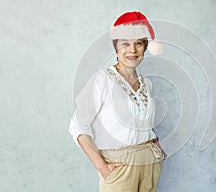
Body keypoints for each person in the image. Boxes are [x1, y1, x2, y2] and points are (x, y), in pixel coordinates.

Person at [69, 11, 165, 192]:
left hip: (150, 163)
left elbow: (144, 125)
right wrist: (103, 168)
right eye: (125, 44)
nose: (132, 50)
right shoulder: (102, 80)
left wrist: (158, 150)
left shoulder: (147, 84)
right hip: (120, 167)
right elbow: (78, 126)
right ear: (116, 48)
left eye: (138, 43)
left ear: (145, 47)